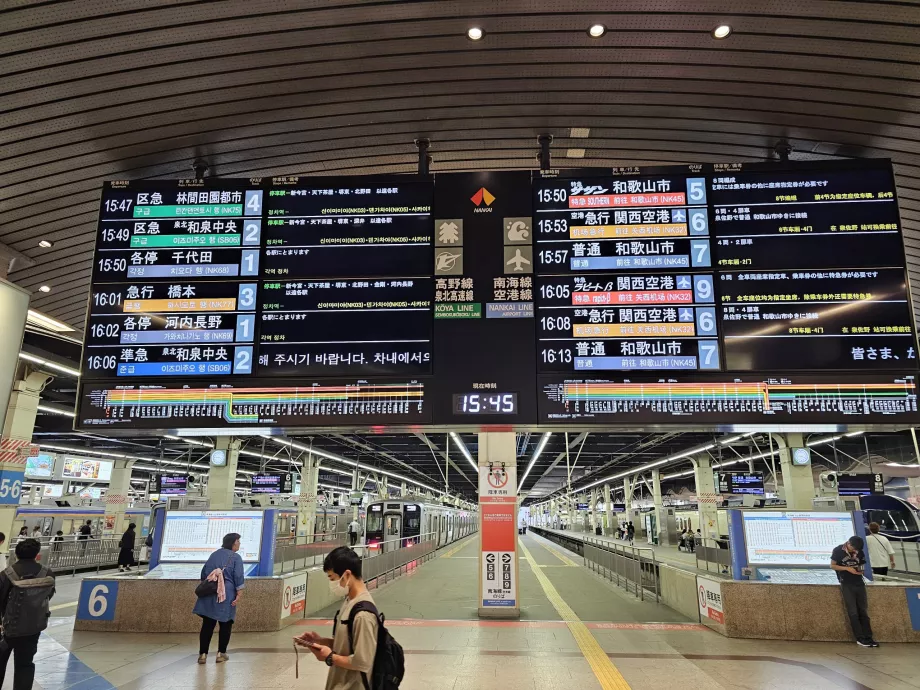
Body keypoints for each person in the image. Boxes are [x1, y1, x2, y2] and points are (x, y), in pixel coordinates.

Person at [295, 546, 378, 690]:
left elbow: (363, 661)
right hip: (339, 682)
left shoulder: (363, 614)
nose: (331, 584)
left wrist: (329, 657)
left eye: (332, 578)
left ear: (346, 575)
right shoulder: (349, 601)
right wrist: (320, 642)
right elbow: (349, 645)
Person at [0, 539, 56, 690]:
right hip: (33, 627)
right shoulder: (47, 573)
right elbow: (48, 596)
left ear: (16, 554)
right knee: (25, 664)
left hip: (7, 628)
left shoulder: (7, 574)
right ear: (37, 554)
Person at [193, 533, 245, 664]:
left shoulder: (214, 555)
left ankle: (202, 655)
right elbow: (238, 576)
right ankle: (221, 653)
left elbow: (204, 573)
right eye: (238, 541)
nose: (239, 544)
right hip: (226, 594)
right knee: (226, 624)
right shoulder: (236, 557)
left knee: (207, 624)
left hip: (210, 591)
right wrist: (239, 593)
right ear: (233, 543)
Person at [831, 535, 877, 647]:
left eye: (857, 549)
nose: (855, 550)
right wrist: (847, 568)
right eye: (853, 548)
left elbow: (862, 565)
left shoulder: (859, 551)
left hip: (859, 582)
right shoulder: (838, 550)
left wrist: (860, 571)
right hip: (846, 583)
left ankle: (869, 637)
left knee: (863, 611)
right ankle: (860, 637)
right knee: (853, 611)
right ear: (849, 544)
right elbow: (833, 566)